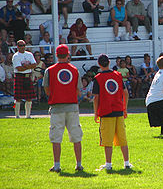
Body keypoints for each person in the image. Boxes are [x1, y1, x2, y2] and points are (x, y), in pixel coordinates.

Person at [43, 44, 84, 172]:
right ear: (67, 55)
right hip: (72, 106)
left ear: (56, 55)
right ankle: (78, 164)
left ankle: (57, 165)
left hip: (56, 107)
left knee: (56, 137)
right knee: (76, 137)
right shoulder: (74, 70)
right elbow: (79, 91)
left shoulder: (49, 70)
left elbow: (46, 89)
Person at [92, 54, 133, 171]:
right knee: (122, 138)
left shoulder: (98, 78)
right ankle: (127, 163)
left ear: (99, 64)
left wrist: (96, 113)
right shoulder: (118, 75)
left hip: (106, 111)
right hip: (118, 110)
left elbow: (96, 98)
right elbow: (125, 93)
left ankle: (108, 164)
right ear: (109, 62)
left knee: (107, 139)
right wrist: (124, 108)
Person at [12, 40, 37, 118]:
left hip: (27, 76)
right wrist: (28, 66)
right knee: (18, 97)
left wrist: (25, 67)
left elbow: (34, 65)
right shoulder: (16, 56)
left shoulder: (29, 54)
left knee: (29, 98)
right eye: (20, 45)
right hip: (19, 76)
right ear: (17, 46)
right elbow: (19, 68)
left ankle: (28, 115)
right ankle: (17, 115)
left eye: (23, 45)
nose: (22, 47)